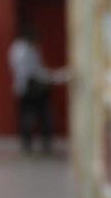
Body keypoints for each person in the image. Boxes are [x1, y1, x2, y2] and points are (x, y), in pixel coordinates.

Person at [7, 25, 67, 155]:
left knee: (29, 117)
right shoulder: (25, 50)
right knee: (37, 116)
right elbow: (34, 71)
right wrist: (54, 77)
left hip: (26, 87)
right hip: (31, 88)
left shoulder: (17, 48)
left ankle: (31, 144)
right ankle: (37, 143)